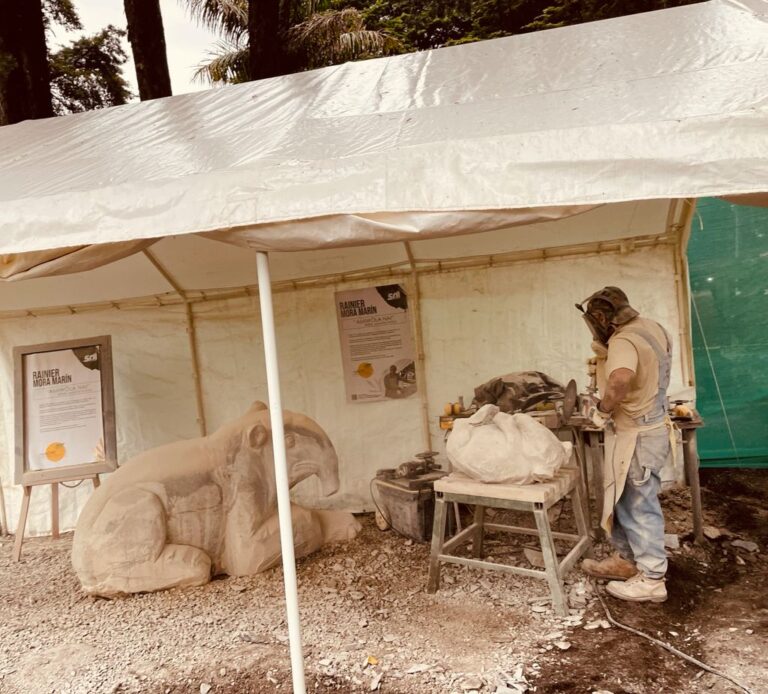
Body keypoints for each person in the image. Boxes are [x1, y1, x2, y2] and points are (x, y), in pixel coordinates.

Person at [576, 286, 673, 603]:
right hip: (650, 425)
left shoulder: (623, 340)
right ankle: (627, 560)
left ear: (601, 316)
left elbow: (619, 379)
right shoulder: (652, 327)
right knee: (623, 500)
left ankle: (653, 579)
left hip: (637, 434)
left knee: (639, 505)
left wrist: (602, 410)